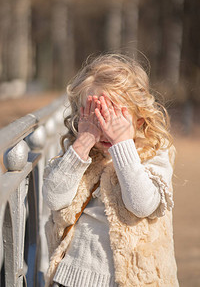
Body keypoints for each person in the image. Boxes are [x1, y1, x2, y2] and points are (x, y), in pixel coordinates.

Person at [42, 54, 179, 287]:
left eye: (114, 116)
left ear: (139, 118)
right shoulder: (82, 153)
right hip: (73, 277)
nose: (105, 128)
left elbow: (142, 205)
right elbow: (53, 198)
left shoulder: (153, 153)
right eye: (95, 115)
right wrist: (83, 143)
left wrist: (122, 145)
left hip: (136, 279)